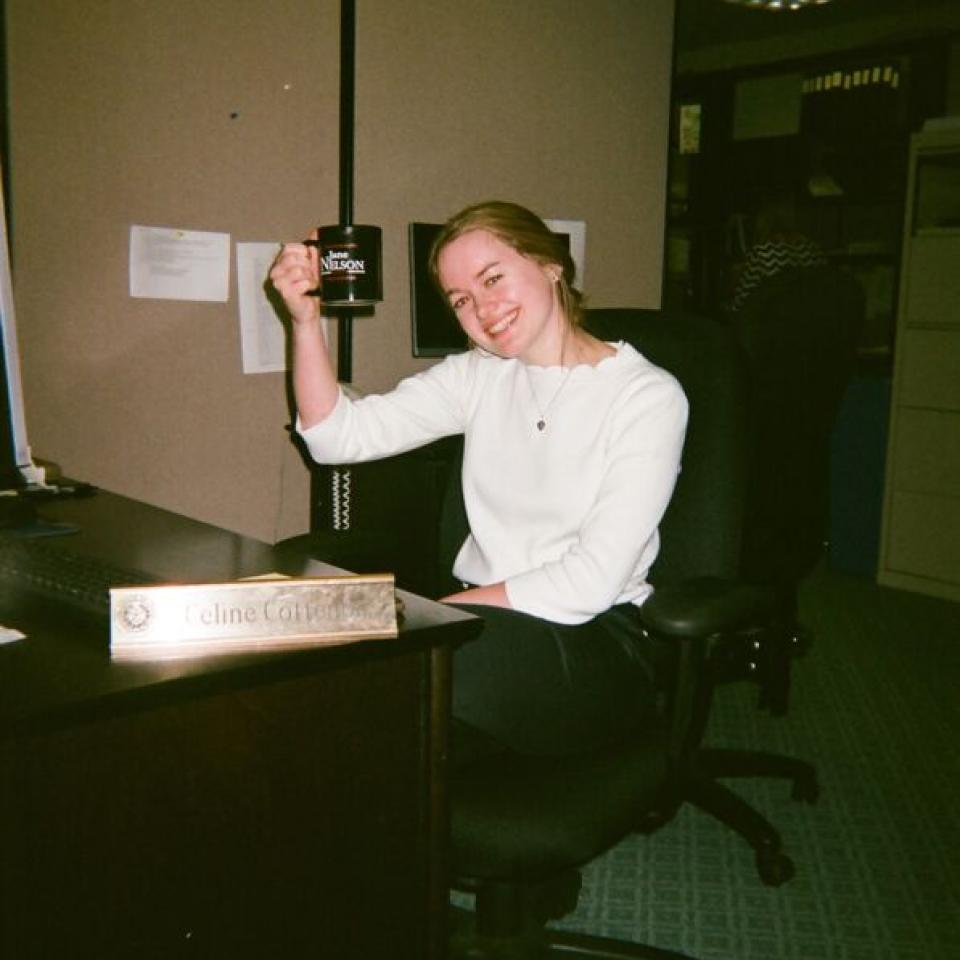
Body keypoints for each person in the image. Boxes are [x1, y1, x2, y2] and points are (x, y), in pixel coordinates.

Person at [270, 201, 688, 757]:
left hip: (593, 636)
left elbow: (591, 581)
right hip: (483, 619)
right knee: (318, 661)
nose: (482, 310)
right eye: (461, 300)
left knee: (387, 687)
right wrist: (305, 321)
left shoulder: (646, 397)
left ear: (551, 265)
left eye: (493, 279)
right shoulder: (479, 376)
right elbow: (334, 439)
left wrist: (435, 616)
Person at [729, 193, 827, 313]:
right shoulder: (812, 248)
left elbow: (741, 303)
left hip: (775, 323)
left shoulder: (762, 252)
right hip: (813, 320)